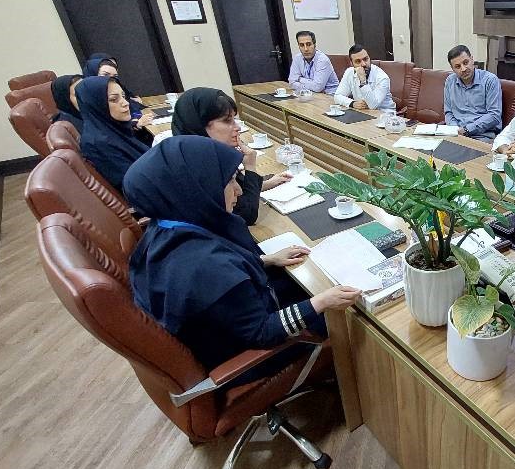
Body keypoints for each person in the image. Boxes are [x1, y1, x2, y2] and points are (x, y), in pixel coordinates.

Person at [123, 136, 360, 373]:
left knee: (302, 281)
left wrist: (266, 259)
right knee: (352, 317)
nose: (238, 190)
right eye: (228, 182)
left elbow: (225, 280)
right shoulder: (202, 264)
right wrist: (322, 302)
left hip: (227, 325)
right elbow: (262, 333)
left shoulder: (167, 227)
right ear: (196, 188)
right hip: (246, 356)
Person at [171, 87, 291, 226]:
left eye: (234, 119)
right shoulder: (199, 166)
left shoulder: (200, 151)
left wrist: (266, 184)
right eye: (227, 121)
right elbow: (247, 214)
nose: (237, 127)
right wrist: (250, 167)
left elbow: (237, 191)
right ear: (198, 124)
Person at [77, 75, 149, 192]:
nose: (125, 103)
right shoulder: (99, 143)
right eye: (114, 99)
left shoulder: (112, 128)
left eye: (123, 96)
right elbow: (136, 185)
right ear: (96, 104)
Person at [442, 44, 502, 143]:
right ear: (452, 69)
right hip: (456, 134)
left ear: (472, 60)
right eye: (457, 66)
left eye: (466, 63)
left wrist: (466, 130)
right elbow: (448, 112)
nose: (463, 69)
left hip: (482, 135)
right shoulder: (450, 81)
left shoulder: (490, 80)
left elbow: (494, 115)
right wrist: (455, 130)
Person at [82, 52, 150, 123]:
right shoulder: (90, 101)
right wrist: (134, 123)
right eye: (105, 75)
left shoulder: (116, 86)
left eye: (115, 76)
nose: (126, 103)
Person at [333, 45, 395, 114]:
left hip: (384, 114)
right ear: (352, 63)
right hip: (363, 112)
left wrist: (363, 81)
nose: (363, 64)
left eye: (365, 59)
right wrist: (352, 103)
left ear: (369, 58)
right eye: (358, 61)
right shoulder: (349, 72)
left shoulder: (382, 77)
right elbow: (337, 96)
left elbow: (373, 105)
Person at [287, 30, 338, 95]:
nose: (305, 49)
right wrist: (311, 85)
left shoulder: (322, 60)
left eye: (308, 44)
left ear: (314, 45)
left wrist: (299, 79)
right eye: (302, 45)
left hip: (329, 95)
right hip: (311, 94)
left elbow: (318, 87)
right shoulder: (297, 58)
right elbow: (291, 82)